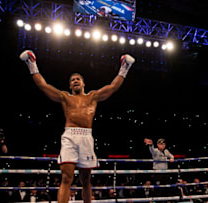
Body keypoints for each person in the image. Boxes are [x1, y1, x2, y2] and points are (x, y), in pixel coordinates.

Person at [20, 50, 135, 203]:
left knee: (86, 181)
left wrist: (124, 68)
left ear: (83, 83)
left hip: (86, 136)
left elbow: (113, 87)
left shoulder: (93, 97)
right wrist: (31, 64)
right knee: (66, 177)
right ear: (69, 85)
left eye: (78, 79)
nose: (75, 80)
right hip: (70, 136)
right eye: (73, 79)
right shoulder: (65, 97)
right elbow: (43, 85)